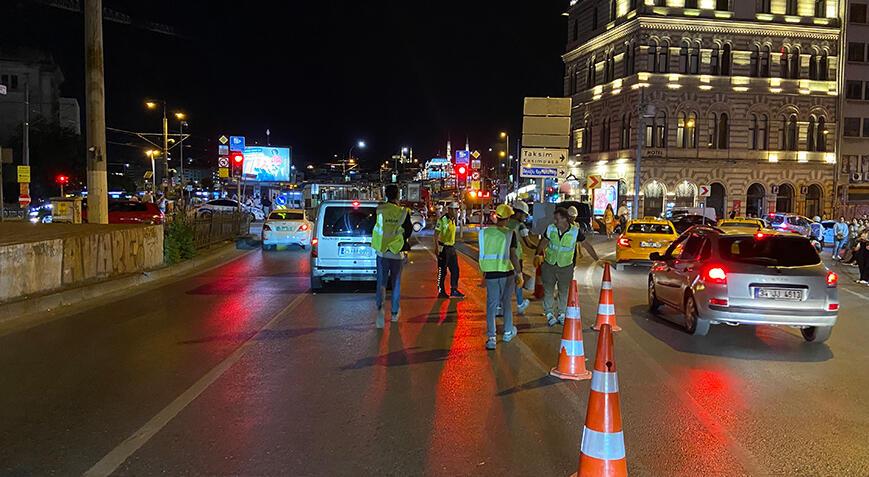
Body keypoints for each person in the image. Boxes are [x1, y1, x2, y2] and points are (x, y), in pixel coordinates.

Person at [534, 207, 601, 327]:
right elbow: (543, 242)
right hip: (549, 264)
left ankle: (561, 314)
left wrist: (597, 259)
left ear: (565, 219)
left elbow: (586, 245)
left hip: (565, 267)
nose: (555, 222)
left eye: (557, 219)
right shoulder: (551, 228)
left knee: (563, 291)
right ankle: (549, 314)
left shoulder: (575, 231)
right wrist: (537, 254)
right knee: (548, 290)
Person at [479, 204, 523, 350]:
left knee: (491, 306)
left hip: (490, 274)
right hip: (506, 273)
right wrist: (519, 273)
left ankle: (491, 338)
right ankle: (507, 332)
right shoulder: (510, 233)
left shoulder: (483, 233)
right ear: (508, 218)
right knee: (506, 303)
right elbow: (513, 256)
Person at [372, 184, 413, 328]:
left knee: (381, 282)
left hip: (382, 252)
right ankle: (394, 313)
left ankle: (380, 309)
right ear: (397, 196)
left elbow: (374, 227)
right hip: (397, 253)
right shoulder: (403, 212)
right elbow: (408, 231)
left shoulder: (380, 210)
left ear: (386, 195)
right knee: (395, 284)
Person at [506, 200, 536, 314]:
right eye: (524, 215)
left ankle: (499, 306)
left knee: (505, 282)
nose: (525, 217)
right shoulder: (521, 226)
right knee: (518, 280)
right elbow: (528, 243)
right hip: (516, 257)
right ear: (518, 213)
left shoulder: (505, 222)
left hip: (504, 257)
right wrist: (539, 248)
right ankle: (520, 304)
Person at [435, 202, 464, 298]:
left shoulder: (453, 220)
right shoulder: (442, 220)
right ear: (450, 210)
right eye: (455, 210)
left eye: (457, 210)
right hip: (443, 248)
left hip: (451, 248)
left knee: (455, 270)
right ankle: (441, 291)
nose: (456, 212)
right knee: (442, 271)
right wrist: (436, 248)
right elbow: (436, 234)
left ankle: (454, 289)